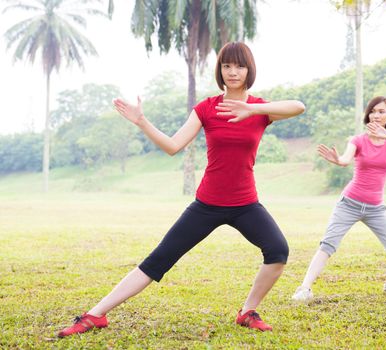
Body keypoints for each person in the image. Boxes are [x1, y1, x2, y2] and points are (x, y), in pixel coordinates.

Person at [58, 42, 305, 337]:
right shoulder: (207, 109)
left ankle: (247, 311)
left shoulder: (261, 109)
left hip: (245, 204)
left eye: (239, 66)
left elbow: (298, 107)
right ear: (220, 70)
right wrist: (142, 121)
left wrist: (252, 108)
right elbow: (174, 146)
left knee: (277, 250)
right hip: (207, 203)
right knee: (159, 260)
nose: (232, 72)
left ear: (249, 69)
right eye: (226, 66)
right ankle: (94, 315)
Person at [292, 96, 386, 302]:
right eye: (373, 111)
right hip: (349, 203)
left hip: (376, 209)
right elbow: (346, 159)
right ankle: (304, 288)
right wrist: (338, 160)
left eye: (382, 111)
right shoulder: (358, 140)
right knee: (328, 245)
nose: (376, 115)